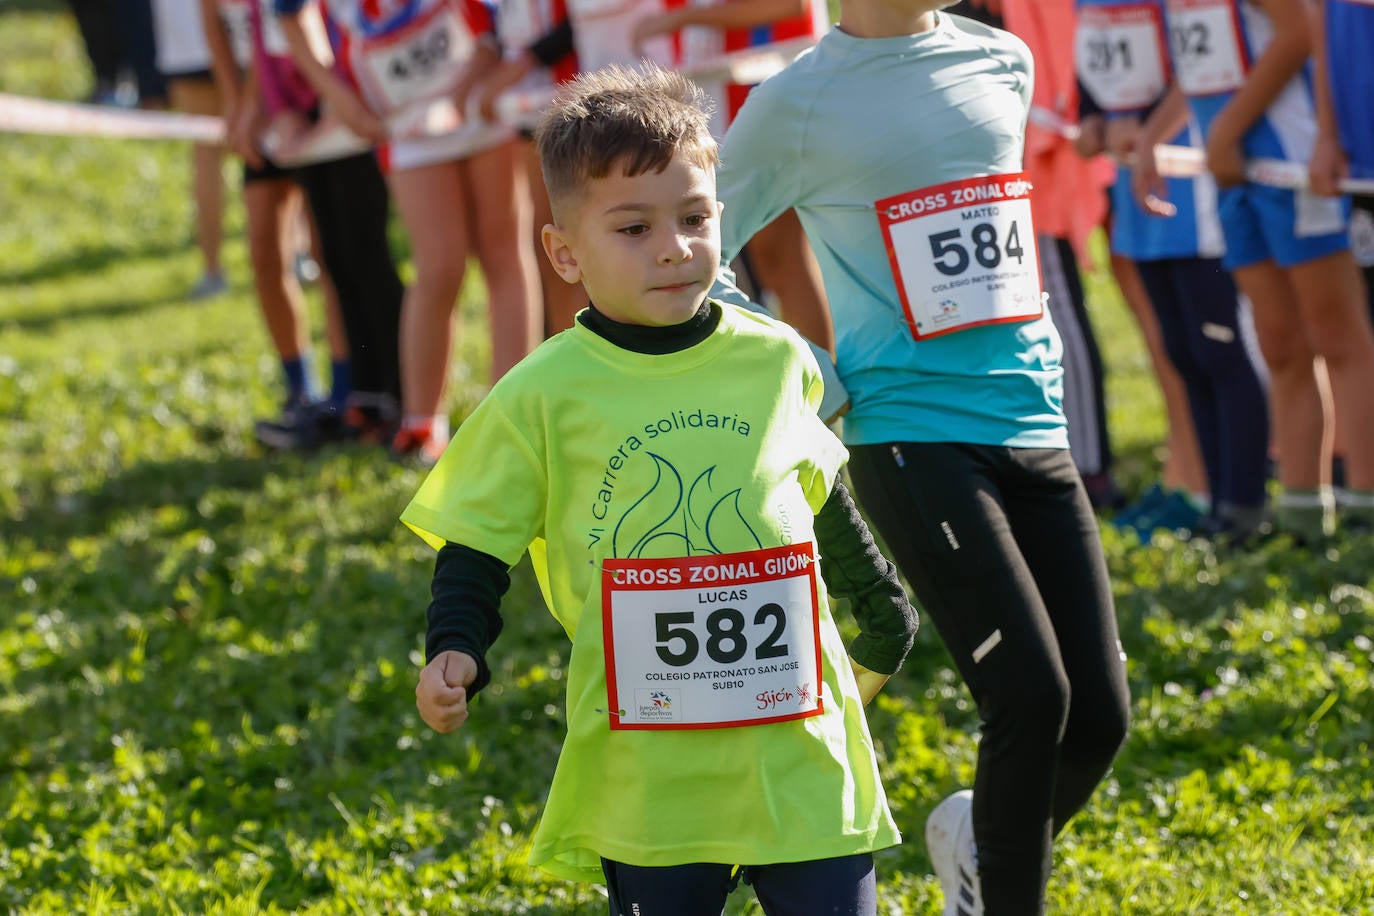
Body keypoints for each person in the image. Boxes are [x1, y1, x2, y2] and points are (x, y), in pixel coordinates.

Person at [403, 63, 918, 915]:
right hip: (651, 774)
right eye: (633, 228)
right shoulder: (541, 394)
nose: (675, 247)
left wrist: (879, 597)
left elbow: (820, 492)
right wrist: (456, 645)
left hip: (798, 749)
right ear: (563, 252)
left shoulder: (778, 357)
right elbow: (478, 544)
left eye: (695, 217)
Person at [711, 4, 1132, 913]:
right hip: (909, 434)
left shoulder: (1003, 58)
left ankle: (976, 844)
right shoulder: (793, 103)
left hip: (1033, 421)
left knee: (1098, 717)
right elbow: (701, 259)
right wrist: (810, 368)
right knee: (1027, 700)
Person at [1135, 0, 1374, 541]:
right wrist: (1156, 134)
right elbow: (1201, 70)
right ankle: (1303, 517)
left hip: (1291, 159)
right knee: (1279, 342)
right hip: (1233, 171)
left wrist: (1227, 131)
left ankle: (1365, 511)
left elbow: (1298, 32)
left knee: (1339, 336)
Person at [277, 0, 543, 466]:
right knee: (439, 266)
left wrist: (471, 81)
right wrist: (339, 97)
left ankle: (510, 417)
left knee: (504, 253)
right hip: (402, 121)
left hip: (475, 95)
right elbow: (291, 15)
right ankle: (422, 426)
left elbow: (492, 18)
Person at [1076, 0, 1272, 541]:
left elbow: (1200, 68)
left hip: (1193, 182)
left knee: (1220, 347)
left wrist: (1152, 135)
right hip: (1140, 192)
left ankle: (1245, 505)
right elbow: (1104, 79)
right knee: (1183, 350)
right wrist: (1096, 123)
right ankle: (1212, 502)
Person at [201, 0, 356, 447]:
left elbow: (276, 28)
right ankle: (300, 390)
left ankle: (343, 392)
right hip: (260, 121)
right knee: (264, 254)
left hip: (301, 106)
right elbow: (218, 31)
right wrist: (236, 105)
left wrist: (253, 102)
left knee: (329, 254)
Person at [151, 0, 229, 300]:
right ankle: (300, 257)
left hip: (192, 43)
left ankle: (213, 272)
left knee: (206, 157)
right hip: (207, 41)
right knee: (272, 149)